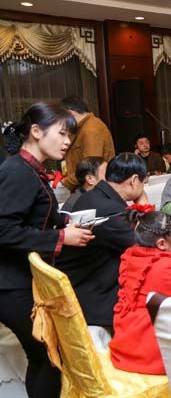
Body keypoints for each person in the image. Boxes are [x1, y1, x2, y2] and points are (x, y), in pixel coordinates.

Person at [0, 102, 94, 398]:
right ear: (36, 131)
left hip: (23, 277)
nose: (68, 142)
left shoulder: (31, 169)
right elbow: (4, 229)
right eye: (62, 133)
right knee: (47, 356)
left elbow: (33, 215)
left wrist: (64, 222)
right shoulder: (18, 171)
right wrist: (60, 237)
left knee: (46, 355)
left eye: (70, 136)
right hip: (10, 283)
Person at [56, 153, 150, 326]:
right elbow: (147, 245)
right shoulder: (111, 211)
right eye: (144, 182)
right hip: (97, 296)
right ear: (134, 180)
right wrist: (143, 206)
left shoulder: (92, 195)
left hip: (81, 282)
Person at [110, 209, 171, 374]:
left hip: (127, 337)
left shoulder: (132, 255)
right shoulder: (163, 267)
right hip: (146, 348)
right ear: (161, 244)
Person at [61, 95, 115, 192]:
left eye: (62, 118)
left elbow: (90, 168)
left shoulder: (90, 130)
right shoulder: (86, 126)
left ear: (70, 114)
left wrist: (66, 181)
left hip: (93, 190)